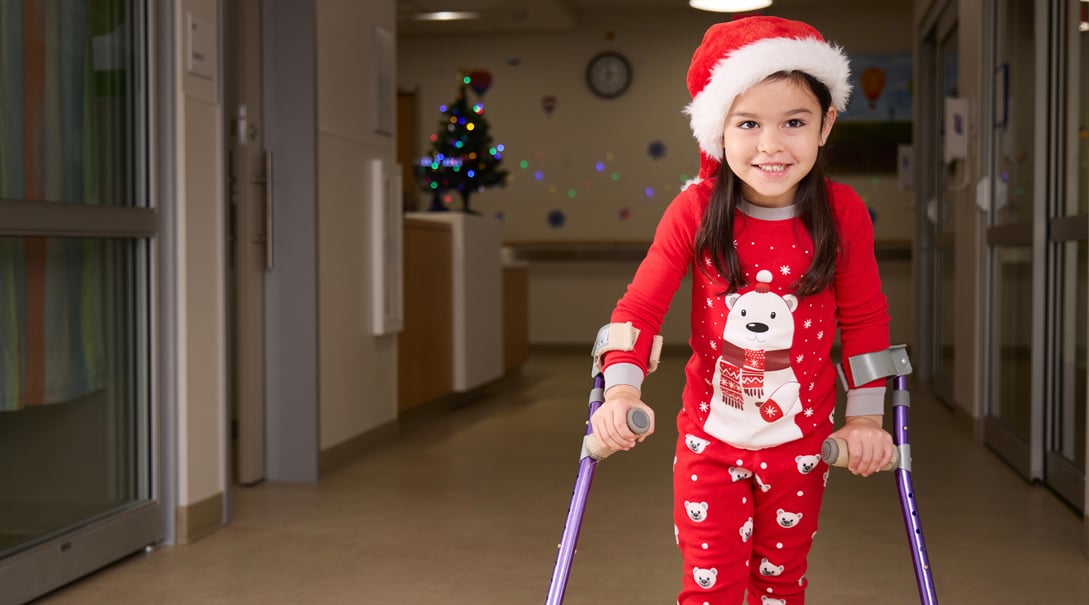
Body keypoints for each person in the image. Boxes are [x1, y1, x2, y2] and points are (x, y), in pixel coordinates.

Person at [588, 16, 895, 605]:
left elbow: (864, 322)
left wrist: (865, 420)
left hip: (801, 446)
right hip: (709, 445)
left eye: (795, 123)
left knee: (781, 588)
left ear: (826, 125)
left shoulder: (843, 211)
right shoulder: (695, 210)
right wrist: (622, 388)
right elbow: (641, 307)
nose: (772, 145)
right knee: (712, 590)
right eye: (749, 123)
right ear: (717, 131)